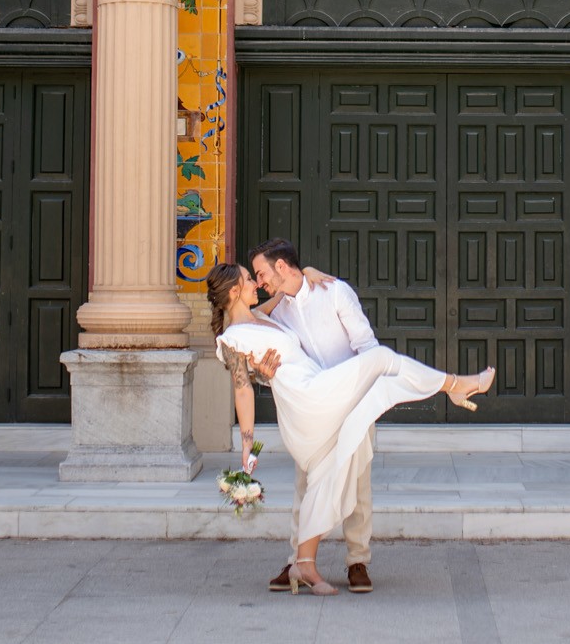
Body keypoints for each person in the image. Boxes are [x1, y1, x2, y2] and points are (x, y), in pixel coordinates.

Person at [208, 260, 491, 596]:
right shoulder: (233, 338)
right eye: (248, 280)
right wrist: (247, 442)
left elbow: (283, 292)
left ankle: (305, 565)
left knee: (326, 479)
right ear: (236, 291)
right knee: (381, 359)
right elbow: (242, 389)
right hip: (308, 401)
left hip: (323, 393)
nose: (257, 283)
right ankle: (456, 385)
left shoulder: (264, 316)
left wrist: (305, 273)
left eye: (259, 276)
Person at [249, 238, 379, 594]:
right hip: (312, 410)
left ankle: (358, 562)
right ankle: (298, 562)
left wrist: (366, 398)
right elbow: (261, 348)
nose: (259, 283)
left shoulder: (335, 292)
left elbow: (367, 346)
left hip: (353, 400)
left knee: (358, 485)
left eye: (261, 274)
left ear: (280, 266)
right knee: (305, 487)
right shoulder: (277, 312)